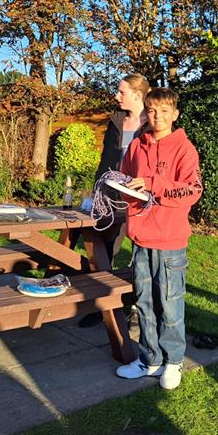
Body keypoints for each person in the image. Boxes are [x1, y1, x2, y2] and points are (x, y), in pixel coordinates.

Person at [115, 88, 202, 390]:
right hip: (141, 237)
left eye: (165, 111)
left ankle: (173, 360)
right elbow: (125, 177)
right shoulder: (137, 145)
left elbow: (191, 191)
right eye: (152, 111)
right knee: (144, 301)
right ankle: (149, 359)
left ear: (175, 114)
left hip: (170, 240)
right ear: (146, 113)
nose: (158, 117)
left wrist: (153, 184)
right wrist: (118, 185)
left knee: (170, 303)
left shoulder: (184, 149)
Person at [79, 73, 151, 328]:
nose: (116, 96)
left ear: (137, 94)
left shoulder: (153, 124)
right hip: (111, 196)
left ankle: (136, 307)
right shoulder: (116, 121)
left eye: (122, 92)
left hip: (141, 199)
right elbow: (106, 159)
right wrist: (97, 190)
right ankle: (102, 306)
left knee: (141, 254)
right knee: (105, 249)